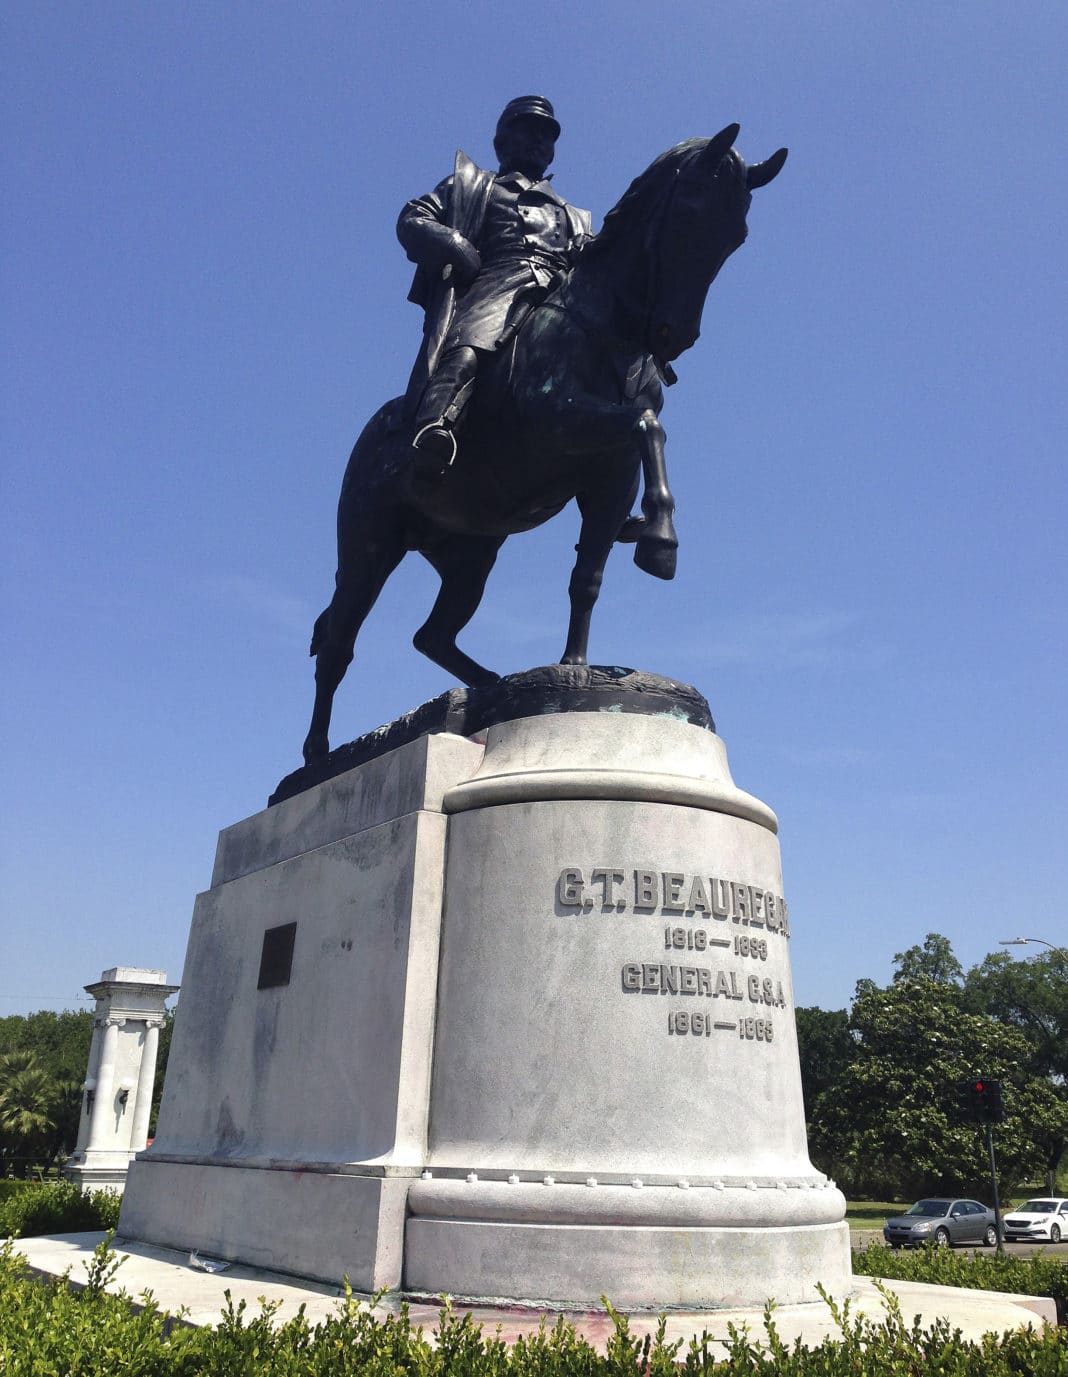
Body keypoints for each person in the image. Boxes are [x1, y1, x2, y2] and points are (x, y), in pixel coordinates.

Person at [397, 96, 592, 478]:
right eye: (528, 131)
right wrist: (455, 245)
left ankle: (607, 484)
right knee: (471, 347)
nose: (539, 142)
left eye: (546, 136)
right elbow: (413, 218)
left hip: (562, 295)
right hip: (498, 286)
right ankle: (433, 427)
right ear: (501, 143)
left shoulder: (575, 216)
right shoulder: (473, 186)